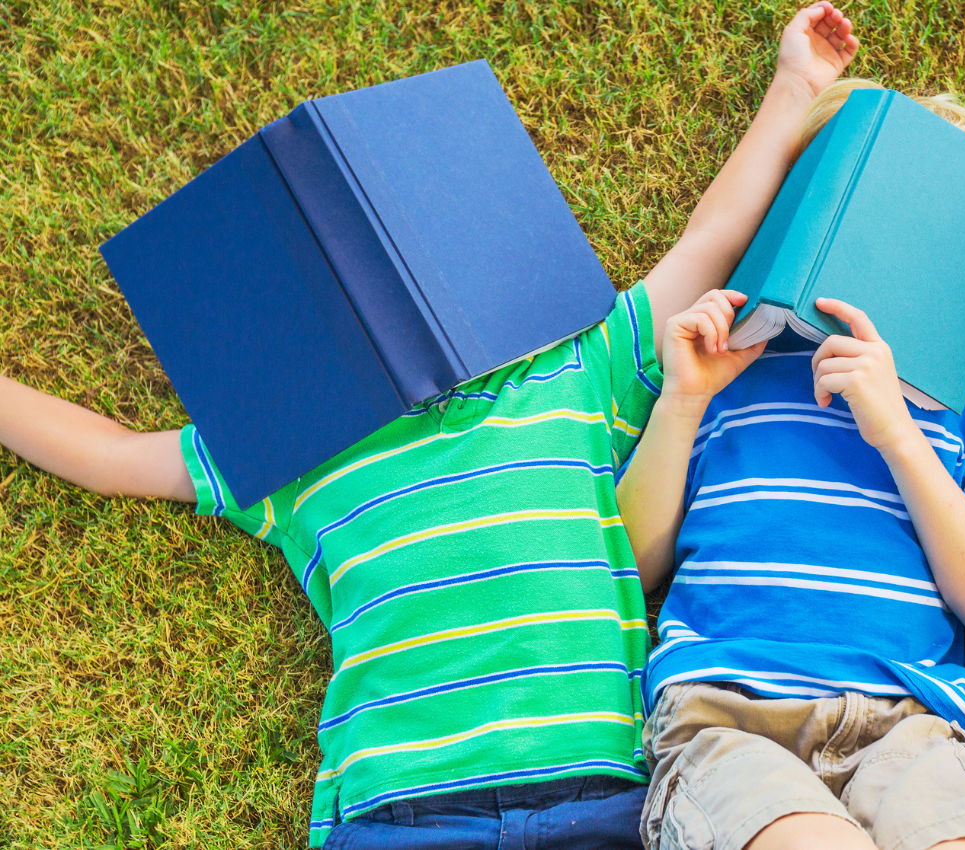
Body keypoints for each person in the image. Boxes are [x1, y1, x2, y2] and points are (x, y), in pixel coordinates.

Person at [0, 5, 859, 848]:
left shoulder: (572, 367)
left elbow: (708, 241)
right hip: (402, 810)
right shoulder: (293, 443)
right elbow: (112, 455)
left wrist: (792, 92)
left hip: (598, 792)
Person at [616, 78, 965, 850]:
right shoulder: (728, 365)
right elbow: (630, 563)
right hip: (731, 717)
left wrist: (899, 433)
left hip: (915, 726)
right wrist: (681, 404)